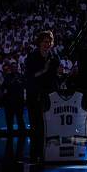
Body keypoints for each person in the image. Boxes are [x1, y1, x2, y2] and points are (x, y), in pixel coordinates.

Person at [25, 31, 60, 162]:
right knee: (36, 125)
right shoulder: (32, 57)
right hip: (35, 95)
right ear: (39, 42)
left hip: (50, 95)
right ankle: (36, 153)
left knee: (49, 125)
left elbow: (55, 76)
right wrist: (44, 70)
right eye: (45, 41)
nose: (48, 44)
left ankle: (49, 152)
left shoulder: (54, 57)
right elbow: (30, 77)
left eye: (49, 42)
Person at [2, 62, 26, 134]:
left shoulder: (21, 76)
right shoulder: (7, 77)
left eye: (15, 67)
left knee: (20, 119)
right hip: (9, 102)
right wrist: (13, 81)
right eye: (13, 67)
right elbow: (4, 87)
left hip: (19, 101)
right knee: (9, 120)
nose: (14, 68)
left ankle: (22, 134)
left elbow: (24, 86)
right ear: (11, 68)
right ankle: (10, 134)